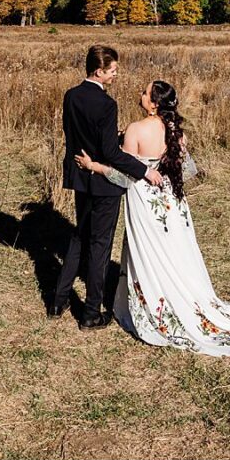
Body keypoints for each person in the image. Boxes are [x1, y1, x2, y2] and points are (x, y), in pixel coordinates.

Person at [74, 79, 230, 356]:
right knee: (175, 251)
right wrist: (161, 173)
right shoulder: (177, 132)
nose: (140, 94)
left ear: (153, 104)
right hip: (173, 202)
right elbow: (188, 170)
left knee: (149, 251)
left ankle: (154, 303)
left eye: (145, 92)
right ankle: (180, 297)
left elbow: (124, 176)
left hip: (145, 200)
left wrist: (95, 166)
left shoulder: (136, 129)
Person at [51, 45, 164, 328]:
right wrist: (144, 170)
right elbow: (112, 155)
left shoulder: (72, 96)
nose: (116, 75)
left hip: (81, 176)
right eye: (113, 71)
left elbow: (73, 133)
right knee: (100, 246)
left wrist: (106, 140)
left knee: (79, 238)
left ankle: (58, 300)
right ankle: (90, 312)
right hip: (104, 182)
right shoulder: (106, 105)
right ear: (99, 72)